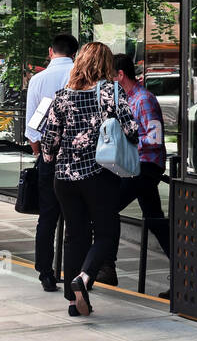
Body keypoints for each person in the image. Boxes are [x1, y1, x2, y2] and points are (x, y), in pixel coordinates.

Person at [40, 42, 139, 318]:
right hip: (98, 174)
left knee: (75, 234)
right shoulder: (110, 91)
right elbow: (132, 129)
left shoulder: (62, 95)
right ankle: (84, 279)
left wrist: (52, 160)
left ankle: (74, 303)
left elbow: (49, 142)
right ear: (105, 64)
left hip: (64, 178)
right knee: (106, 232)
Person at [24, 32, 78, 292]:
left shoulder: (38, 79)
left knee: (47, 217)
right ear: (74, 53)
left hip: (48, 155)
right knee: (76, 218)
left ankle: (46, 272)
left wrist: (39, 152)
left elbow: (31, 126)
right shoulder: (79, 76)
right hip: (76, 157)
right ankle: (75, 274)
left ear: (50, 51)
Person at [113, 54, 169, 296]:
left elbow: (154, 140)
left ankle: (103, 265)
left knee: (107, 206)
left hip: (144, 167)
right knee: (155, 219)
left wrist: (127, 143)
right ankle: (185, 268)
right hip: (137, 166)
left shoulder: (143, 100)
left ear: (120, 75)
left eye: (110, 75)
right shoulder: (127, 99)